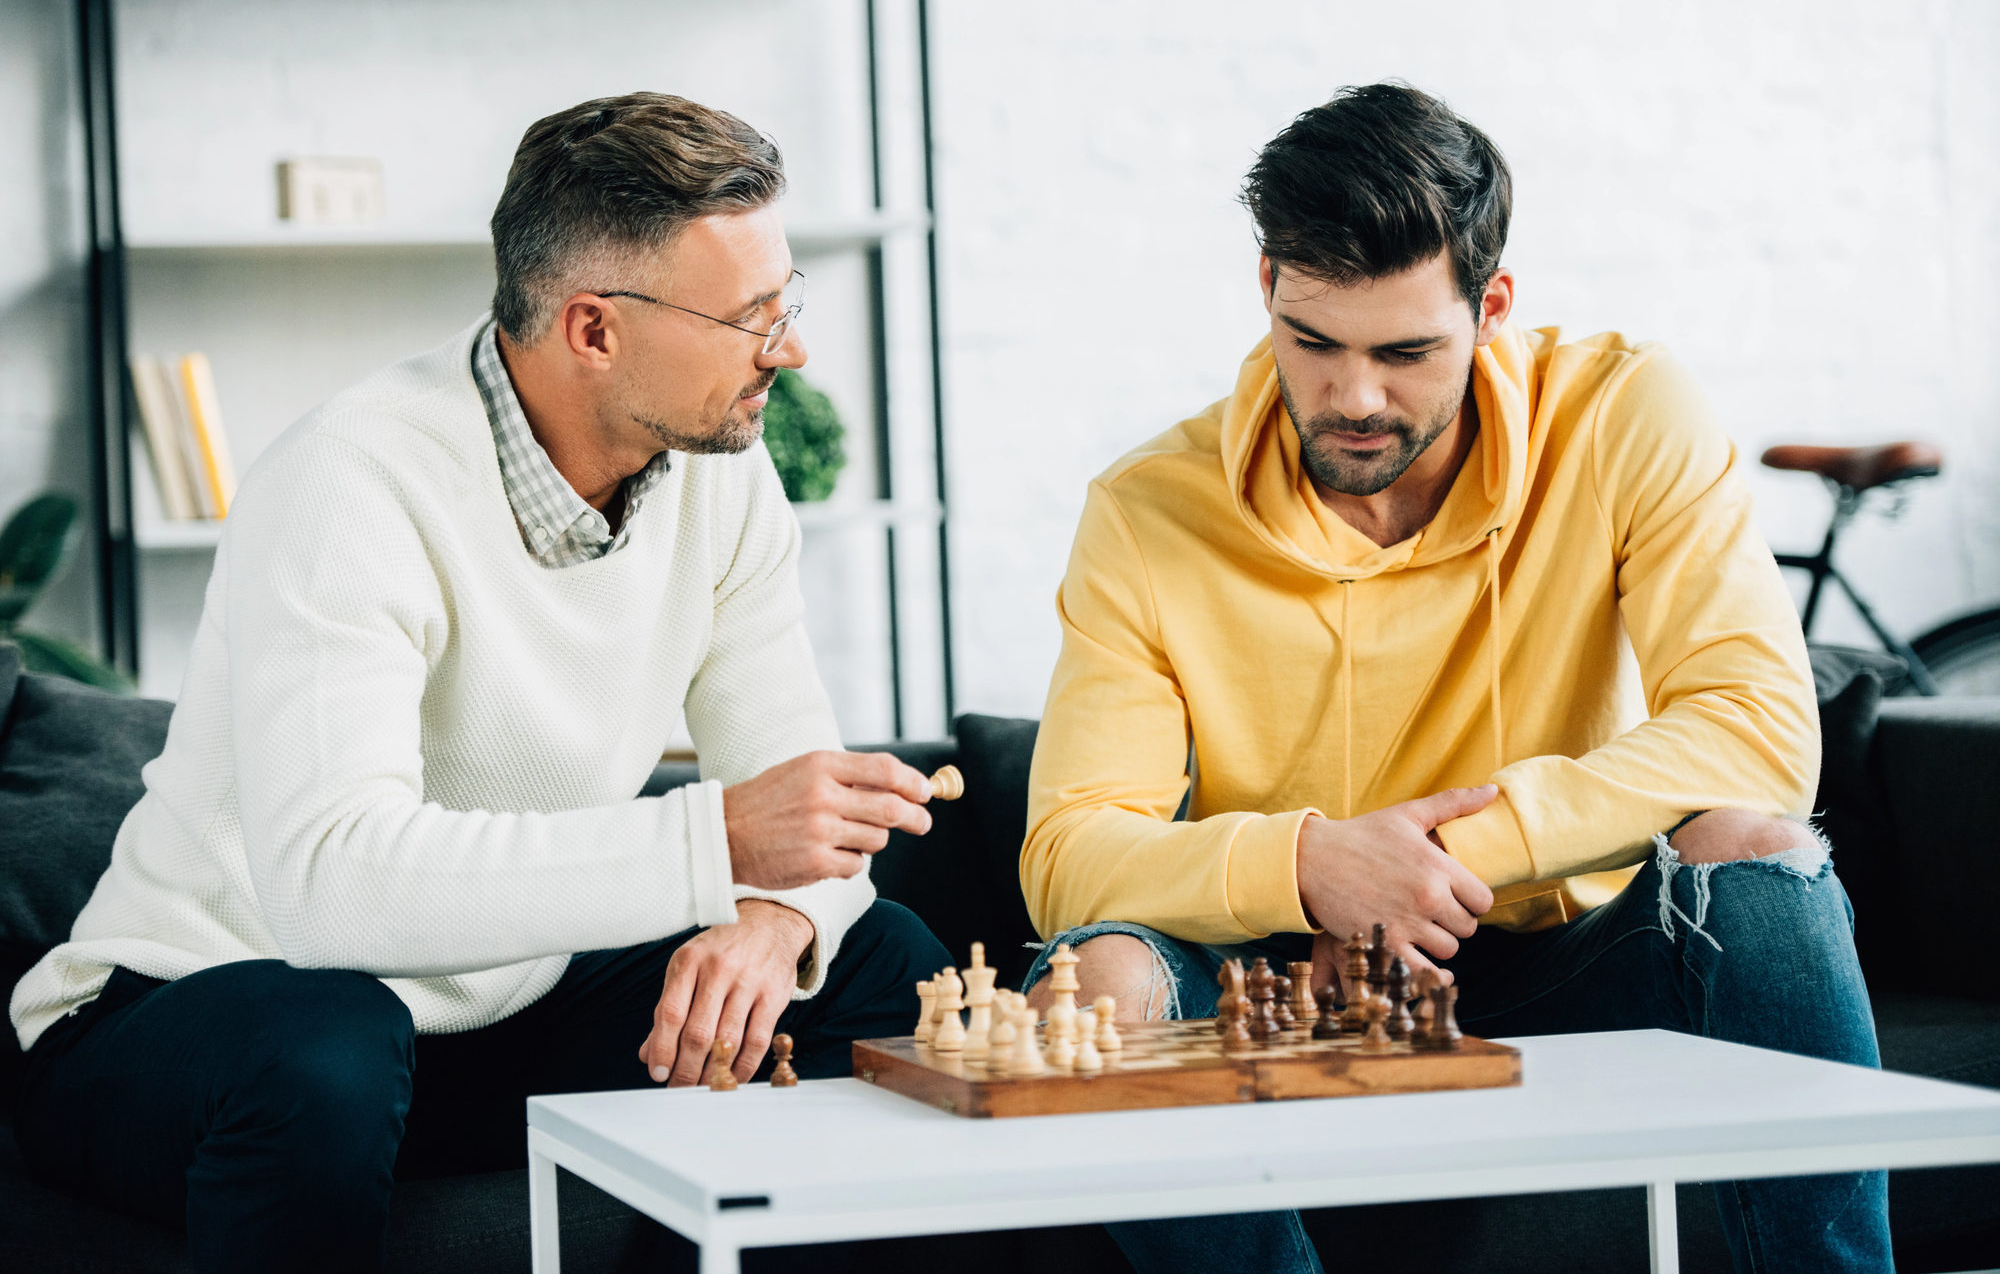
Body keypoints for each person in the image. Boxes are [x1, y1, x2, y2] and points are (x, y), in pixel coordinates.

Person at [10, 93, 950, 1272]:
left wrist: (771, 921)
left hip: (490, 1017)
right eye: (752, 315)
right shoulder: (348, 480)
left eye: (786, 300)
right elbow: (331, 890)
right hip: (190, 1020)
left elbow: (800, 808)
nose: (792, 349)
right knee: (330, 1032)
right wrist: (712, 849)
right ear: (593, 329)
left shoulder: (725, 477)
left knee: (878, 964)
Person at [1022, 83, 1883, 1274]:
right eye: (1312, 342)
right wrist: (1314, 871)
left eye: (1406, 351)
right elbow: (1067, 853)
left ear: (1492, 308)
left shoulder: (1622, 409)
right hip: (1290, 982)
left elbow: (1756, 729)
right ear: (1265, 285)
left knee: (1752, 846)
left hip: (1564, 959)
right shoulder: (1143, 511)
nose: (1353, 397)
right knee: (1099, 981)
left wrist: (1418, 877)